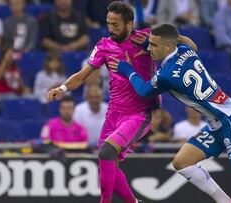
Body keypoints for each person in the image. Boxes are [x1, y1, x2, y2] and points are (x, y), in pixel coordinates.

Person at [110, 24, 231, 203]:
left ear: (168, 47)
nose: (148, 48)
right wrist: (158, 41)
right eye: (149, 43)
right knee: (182, 162)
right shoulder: (185, 50)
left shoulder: (168, 74)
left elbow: (143, 90)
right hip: (218, 123)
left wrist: (126, 69)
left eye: (153, 45)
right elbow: (192, 44)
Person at [46, 2, 197, 203]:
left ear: (129, 23)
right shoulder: (103, 45)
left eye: (116, 25)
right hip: (114, 113)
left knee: (106, 152)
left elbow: (192, 48)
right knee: (107, 161)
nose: (111, 29)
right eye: (109, 24)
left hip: (140, 112)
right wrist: (62, 88)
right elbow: (83, 75)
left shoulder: (148, 39)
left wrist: (174, 38)